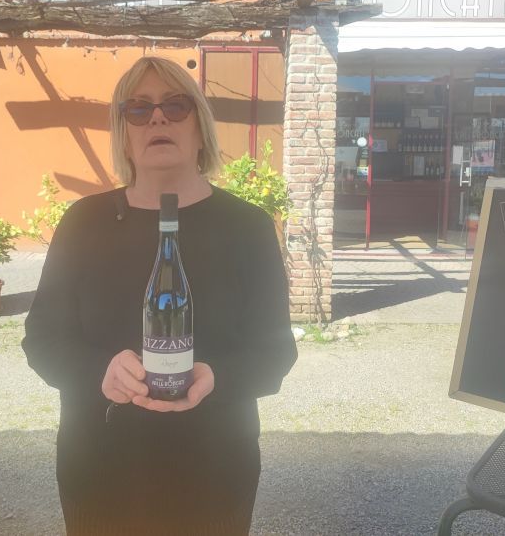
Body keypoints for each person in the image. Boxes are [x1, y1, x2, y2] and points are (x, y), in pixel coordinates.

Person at [22, 56, 298, 535]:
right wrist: (100, 371)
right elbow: (42, 340)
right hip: (102, 476)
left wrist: (217, 376)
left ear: (200, 127)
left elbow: (276, 352)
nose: (157, 118)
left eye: (175, 106)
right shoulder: (84, 224)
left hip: (213, 475)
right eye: (139, 108)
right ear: (124, 133)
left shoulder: (247, 227)